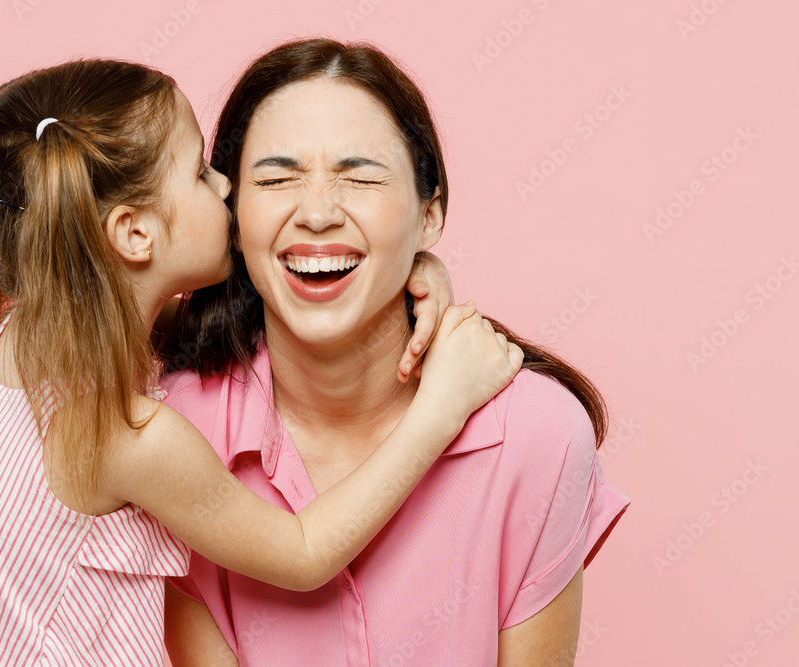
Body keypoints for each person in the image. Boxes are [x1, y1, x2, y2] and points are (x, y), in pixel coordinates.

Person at [0, 58, 522, 666]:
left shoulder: (31, 336)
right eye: (199, 172)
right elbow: (304, 552)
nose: (225, 185)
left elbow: (188, 319)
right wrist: (441, 408)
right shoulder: (127, 433)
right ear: (135, 233)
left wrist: (404, 267)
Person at [159, 39, 632, 666]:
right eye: (276, 179)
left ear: (429, 213)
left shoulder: (536, 434)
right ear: (233, 217)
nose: (319, 212)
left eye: (360, 177)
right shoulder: (174, 432)